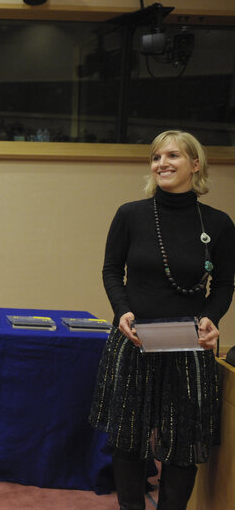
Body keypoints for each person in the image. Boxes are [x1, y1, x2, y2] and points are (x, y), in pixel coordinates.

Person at [90, 130, 235, 510]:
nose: (162, 164)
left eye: (172, 156)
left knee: (182, 443)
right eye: (156, 157)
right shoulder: (130, 215)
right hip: (133, 340)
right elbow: (110, 270)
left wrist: (210, 317)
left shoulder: (218, 224)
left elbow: (222, 284)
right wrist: (122, 310)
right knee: (128, 439)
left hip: (188, 344)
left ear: (195, 164)